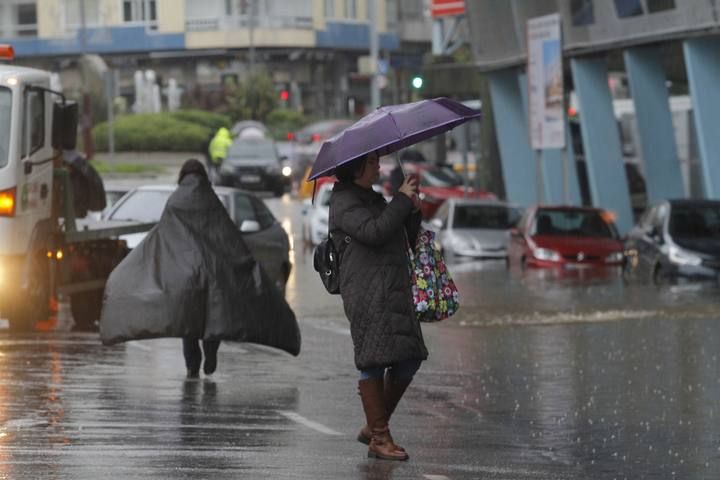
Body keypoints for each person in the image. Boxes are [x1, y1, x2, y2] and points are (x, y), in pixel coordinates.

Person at [328, 151, 427, 461]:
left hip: (391, 290)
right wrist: (399, 200)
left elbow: (399, 237)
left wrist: (412, 210)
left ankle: (373, 428)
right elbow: (374, 232)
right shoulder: (344, 202)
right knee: (373, 359)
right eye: (372, 162)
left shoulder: (371, 198)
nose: (378, 166)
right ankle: (380, 437)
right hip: (366, 292)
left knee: (409, 358)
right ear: (356, 167)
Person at [176, 159, 221, 378]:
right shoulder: (212, 200)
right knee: (211, 316)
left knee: (189, 322)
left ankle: (192, 364)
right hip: (210, 270)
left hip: (187, 272)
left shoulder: (176, 201)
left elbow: (168, 235)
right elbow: (225, 234)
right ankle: (210, 353)